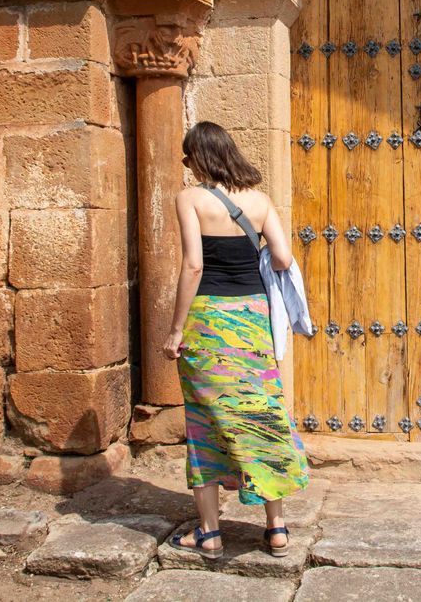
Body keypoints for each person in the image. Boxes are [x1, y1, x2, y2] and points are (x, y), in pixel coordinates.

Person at [160, 121, 310, 559]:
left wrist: (175, 329)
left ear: (200, 157)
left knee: (204, 420)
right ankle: (277, 529)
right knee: (261, 412)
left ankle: (209, 534)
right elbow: (282, 257)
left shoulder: (189, 198)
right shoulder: (260, 202)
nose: (186, 165)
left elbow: (193, 266)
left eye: (187, 157)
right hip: (251, 318)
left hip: (208, 320)